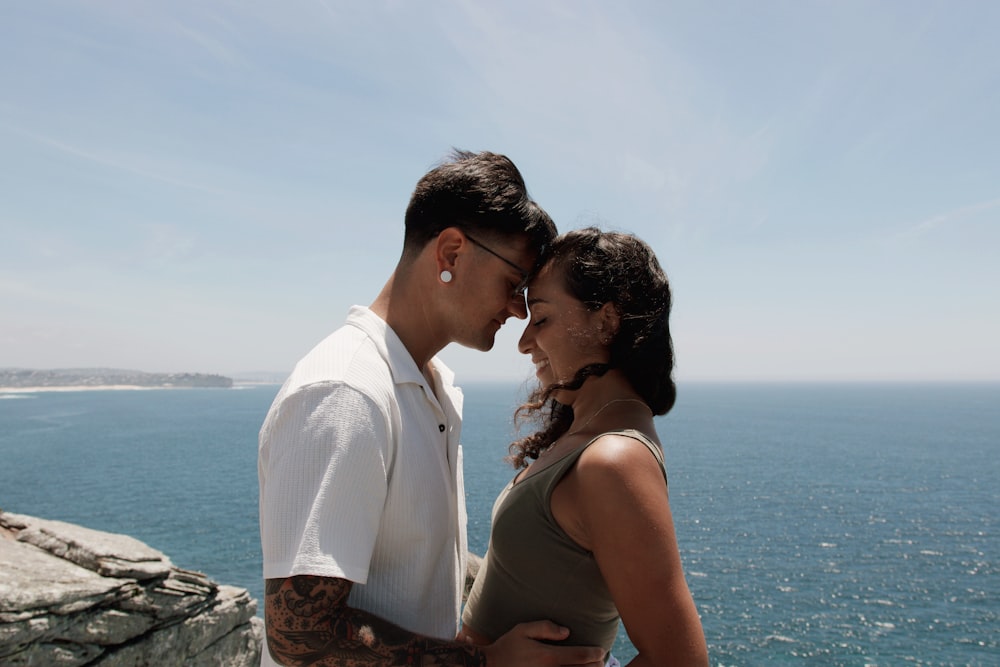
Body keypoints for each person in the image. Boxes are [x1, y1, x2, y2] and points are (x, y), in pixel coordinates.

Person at [257, 150, 606, 667]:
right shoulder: (348, 391)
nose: (518, 311)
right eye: (514, 285)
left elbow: (412, 567)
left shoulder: (429, 388)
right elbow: (299, 636)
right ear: (450, 254)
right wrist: (485, 664)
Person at [460, 227, 710, 666]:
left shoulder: (613, 460)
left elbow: (682, 659)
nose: (523, 343)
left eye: (541, 320)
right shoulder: (588, 433)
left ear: (607, 321)